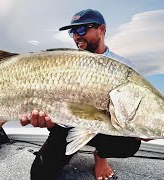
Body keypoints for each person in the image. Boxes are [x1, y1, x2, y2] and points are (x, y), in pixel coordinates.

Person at [20, 9, 142, 180]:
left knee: (129, 144)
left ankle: (100, 157)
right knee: (39, 175)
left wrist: (143, 125)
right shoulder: (63, 64)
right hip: (65, 127)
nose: (76, 36)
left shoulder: (125, 67)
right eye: (73, 32)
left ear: (102, 29)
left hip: (103, 130)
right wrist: (47, 119)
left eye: (82, 29)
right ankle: (72, 145)